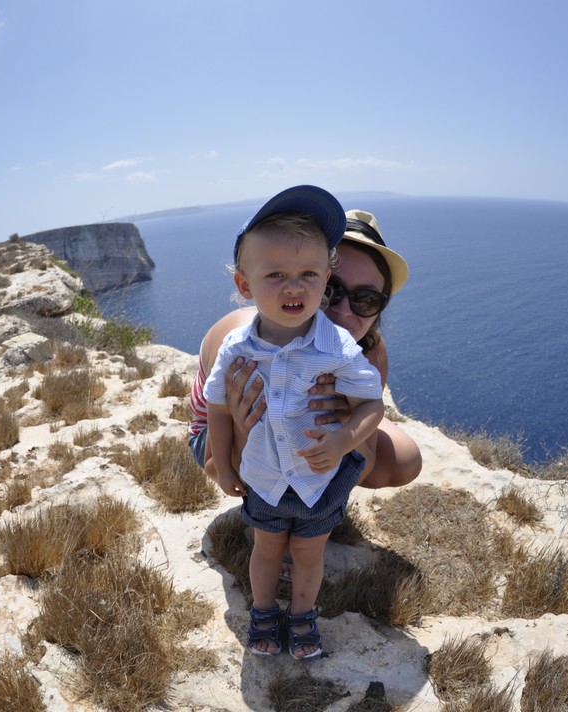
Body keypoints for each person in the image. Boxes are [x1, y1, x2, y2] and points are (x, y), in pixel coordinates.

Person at [203, 186, 385, 659]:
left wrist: (345, 438)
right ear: (245, 285)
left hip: (319, 480)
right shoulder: (236, 348)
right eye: (276, 274)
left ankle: (302, 617)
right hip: (263, 473)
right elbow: (219, 408)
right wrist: (223, 466)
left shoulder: (339, 347)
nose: (294, 287)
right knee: (266, 550)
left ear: (326, 277)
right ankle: (264, 612)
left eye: (308, 273)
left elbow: (372, 406)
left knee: (308, 554)